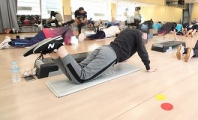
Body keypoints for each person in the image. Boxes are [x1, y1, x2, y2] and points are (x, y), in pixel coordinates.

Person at [23, 28, 157, 84]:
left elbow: (123, 45)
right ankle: (59, 47)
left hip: (104, 48)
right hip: (110, 55)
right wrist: (148, 66)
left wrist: (124, 57)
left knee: (74, 72)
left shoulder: (128, 30)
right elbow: (142, 51)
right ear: (144, 34)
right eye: (146, 38)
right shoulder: (139, 34)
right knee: (80, 78)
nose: (145, 40)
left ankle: (54, 54)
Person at [1, 27, 78, 53]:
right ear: (75, 31)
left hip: (45, 32)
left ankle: (11, 39)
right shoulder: (69, 31)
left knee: (31, 41)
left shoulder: (67, 29)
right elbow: (67, 42)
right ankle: (10, 42)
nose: (75, 34)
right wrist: (71, 43)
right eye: (76, 33)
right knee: (31, 44)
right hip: (45, 35)